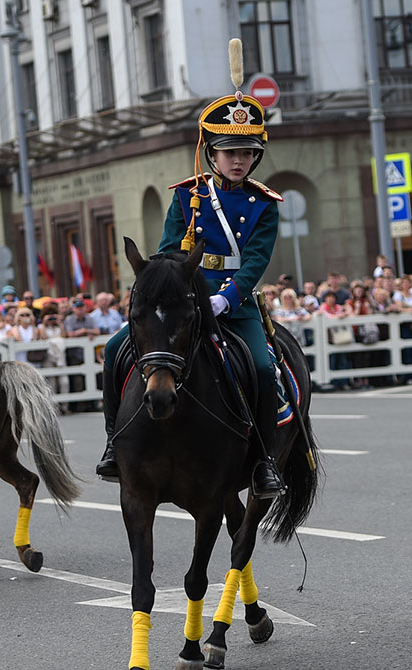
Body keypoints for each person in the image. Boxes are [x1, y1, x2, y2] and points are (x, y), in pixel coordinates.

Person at [96, 82, 286, 498]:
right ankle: (114, 441)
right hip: (185, 300)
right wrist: (184, 292)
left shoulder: (264, 205)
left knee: (260, 367)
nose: (239, 161)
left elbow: (255, 260)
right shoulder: (187, 196)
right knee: (113, 350)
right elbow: (167, 251)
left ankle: (264, 461)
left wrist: (226, 298)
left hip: (234, 303)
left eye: (247, 153)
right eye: (230, 152)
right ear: (212, 153)